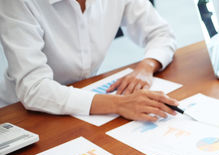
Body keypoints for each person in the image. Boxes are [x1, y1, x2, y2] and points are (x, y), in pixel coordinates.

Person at [0, 0, 179, 122]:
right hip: (22, 114)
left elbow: (161, 33)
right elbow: (34, 89)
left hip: (86, 105)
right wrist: (120, 104)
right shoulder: (18, 3)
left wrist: (146, 66)